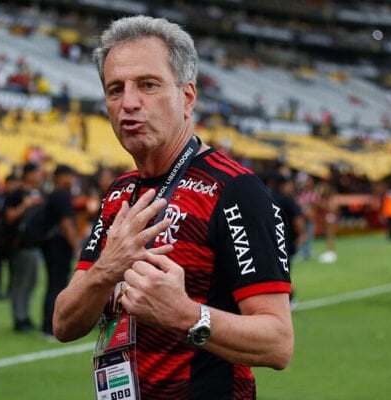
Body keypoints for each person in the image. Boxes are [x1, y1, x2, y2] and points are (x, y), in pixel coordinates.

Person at [54, 16, 293, 399]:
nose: (128, 103)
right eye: (115, 90)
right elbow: (64, 323)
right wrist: (105, 272)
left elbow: (278, 343)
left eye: (148, 85)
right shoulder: (119, 193)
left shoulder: (235, 190)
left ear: (187, 96)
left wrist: (184, 313)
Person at [40, 165, 80, 337]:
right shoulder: (61, 196)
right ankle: (50, 325)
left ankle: (49, 323)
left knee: (54, 283)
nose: (72, 181)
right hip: (58, 246)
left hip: (51, 245)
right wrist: (77, 248)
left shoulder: (54, 195)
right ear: (60, 177)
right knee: (57, 284)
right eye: (69, 176)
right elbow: (66, 224)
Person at [4, 162, 43, 332]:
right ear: (27, 174)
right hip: (20, 244)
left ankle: (25, 316)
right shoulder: (17, 193)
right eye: (36, 172)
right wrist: (24, 207)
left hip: (34, 244)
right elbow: (9, 217)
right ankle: (19, 318)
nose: (39, 176)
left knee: (32, 282)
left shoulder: (37, 192)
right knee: (20, 282)